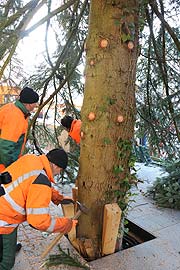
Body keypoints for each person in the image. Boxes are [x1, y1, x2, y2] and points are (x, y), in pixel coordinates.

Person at [0, 148, 77, 270]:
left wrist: (58, 198)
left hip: (3, 204)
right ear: (55, 165)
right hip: (4, 219)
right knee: (6, 263)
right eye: (60, 170)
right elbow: (38, 221)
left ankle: (6, 248)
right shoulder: (41, 182)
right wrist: (67, 224)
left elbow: (32, 181)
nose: (58, 173)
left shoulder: (32, 159)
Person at [0, 86, 39, 172]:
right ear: (28, 104)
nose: (36, 106)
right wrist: (11, 168)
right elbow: (6, 146)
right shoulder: (15, 116)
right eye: (35, 103)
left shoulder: (13, 109)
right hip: (3, 166)